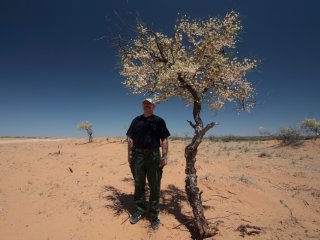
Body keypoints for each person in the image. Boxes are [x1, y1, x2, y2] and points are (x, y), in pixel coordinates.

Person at [126, 98, 170, 230]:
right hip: (137, 156)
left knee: (155, 185)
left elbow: (164, 139)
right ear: (142, 105)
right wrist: (129, 154)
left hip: (154, 156)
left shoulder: (159, 121)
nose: (146, 105)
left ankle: (154, 214)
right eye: (145, 103)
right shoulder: (136, 120)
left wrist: (164, 156)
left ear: (153, 106)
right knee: (139, 183)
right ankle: (140, 209)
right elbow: (130, 138)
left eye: (149, 104)